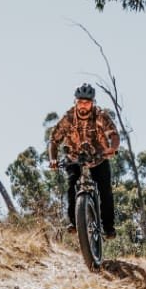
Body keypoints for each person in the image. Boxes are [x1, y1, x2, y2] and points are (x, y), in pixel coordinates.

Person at [48, 84, 120, 238]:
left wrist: (112, 148)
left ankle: (108, 227)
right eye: (80, 102)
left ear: (92, 103)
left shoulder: (100, 115)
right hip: (74, 156)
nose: (83, 106)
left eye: (87, 103)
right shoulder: (68, 117)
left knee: (105, 189)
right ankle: (74, 223)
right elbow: (54, 141)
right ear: (75, 102)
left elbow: (114, 135)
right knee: (71, 185)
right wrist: (53, 159)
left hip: (98, 157)